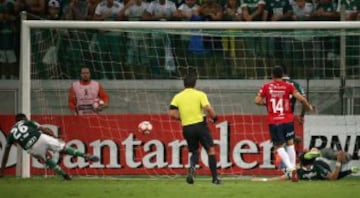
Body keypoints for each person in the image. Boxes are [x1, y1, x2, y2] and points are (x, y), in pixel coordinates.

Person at [254, 66, 314, 182]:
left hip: (275, 121)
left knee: (279, 147)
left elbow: (257, 101)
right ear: (282, 75)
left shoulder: (266, 86)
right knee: (290, 144)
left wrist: (267, 104)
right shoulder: (289, 86)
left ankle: (291, 169)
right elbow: (301, 99)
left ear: (272, 75)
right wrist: (308, 106)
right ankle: (293, 170)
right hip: (288, 119)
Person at [0, 113, 100, 180]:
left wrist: (2, 169)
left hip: (31, 147)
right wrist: (54, 136)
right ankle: (85, 155)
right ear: (24, 119)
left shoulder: (10, 133)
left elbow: (6, 152)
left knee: (47, 159)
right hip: (40, 138)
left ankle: (64, 174)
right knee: (63, 148)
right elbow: (44, 129)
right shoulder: (27, 122)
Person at [168, 73, 220, 185]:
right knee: (210, 151)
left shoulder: (178, 96)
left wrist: (184, 118)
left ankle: (192, 167)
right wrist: (215, 118)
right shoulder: (200, 94)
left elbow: (172, 113)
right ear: (195, 83)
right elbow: (208, 108)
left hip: (187, 127)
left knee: (195, 152)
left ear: (184, 84)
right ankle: (215, 179)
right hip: (200, 126)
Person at [251, 147, 359, 181]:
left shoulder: (299, 171)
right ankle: (348, 165)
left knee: (332, 173)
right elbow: (334, 177)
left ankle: (340, 158)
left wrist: (261, 180)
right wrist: (339, 162)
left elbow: (277, 179)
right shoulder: (316, 167)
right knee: (333, 174)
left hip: (321, 162)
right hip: (321, 163)